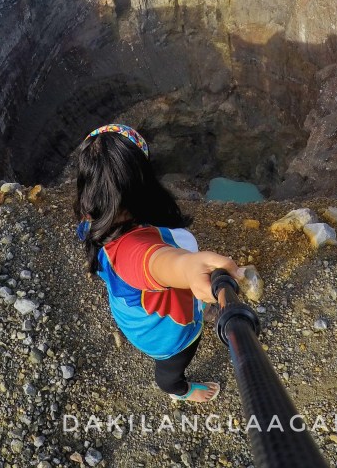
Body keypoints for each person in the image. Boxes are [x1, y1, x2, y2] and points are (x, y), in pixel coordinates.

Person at [74, 123, 241, 402]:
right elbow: (154, 261)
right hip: (164, 332)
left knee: (193, 309)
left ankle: (201, 310)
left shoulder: (92, 220)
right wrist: (188, 268)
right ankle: (179, 390)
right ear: (141, 182)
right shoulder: (130, 249)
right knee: (171, 367)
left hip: (136, 311)